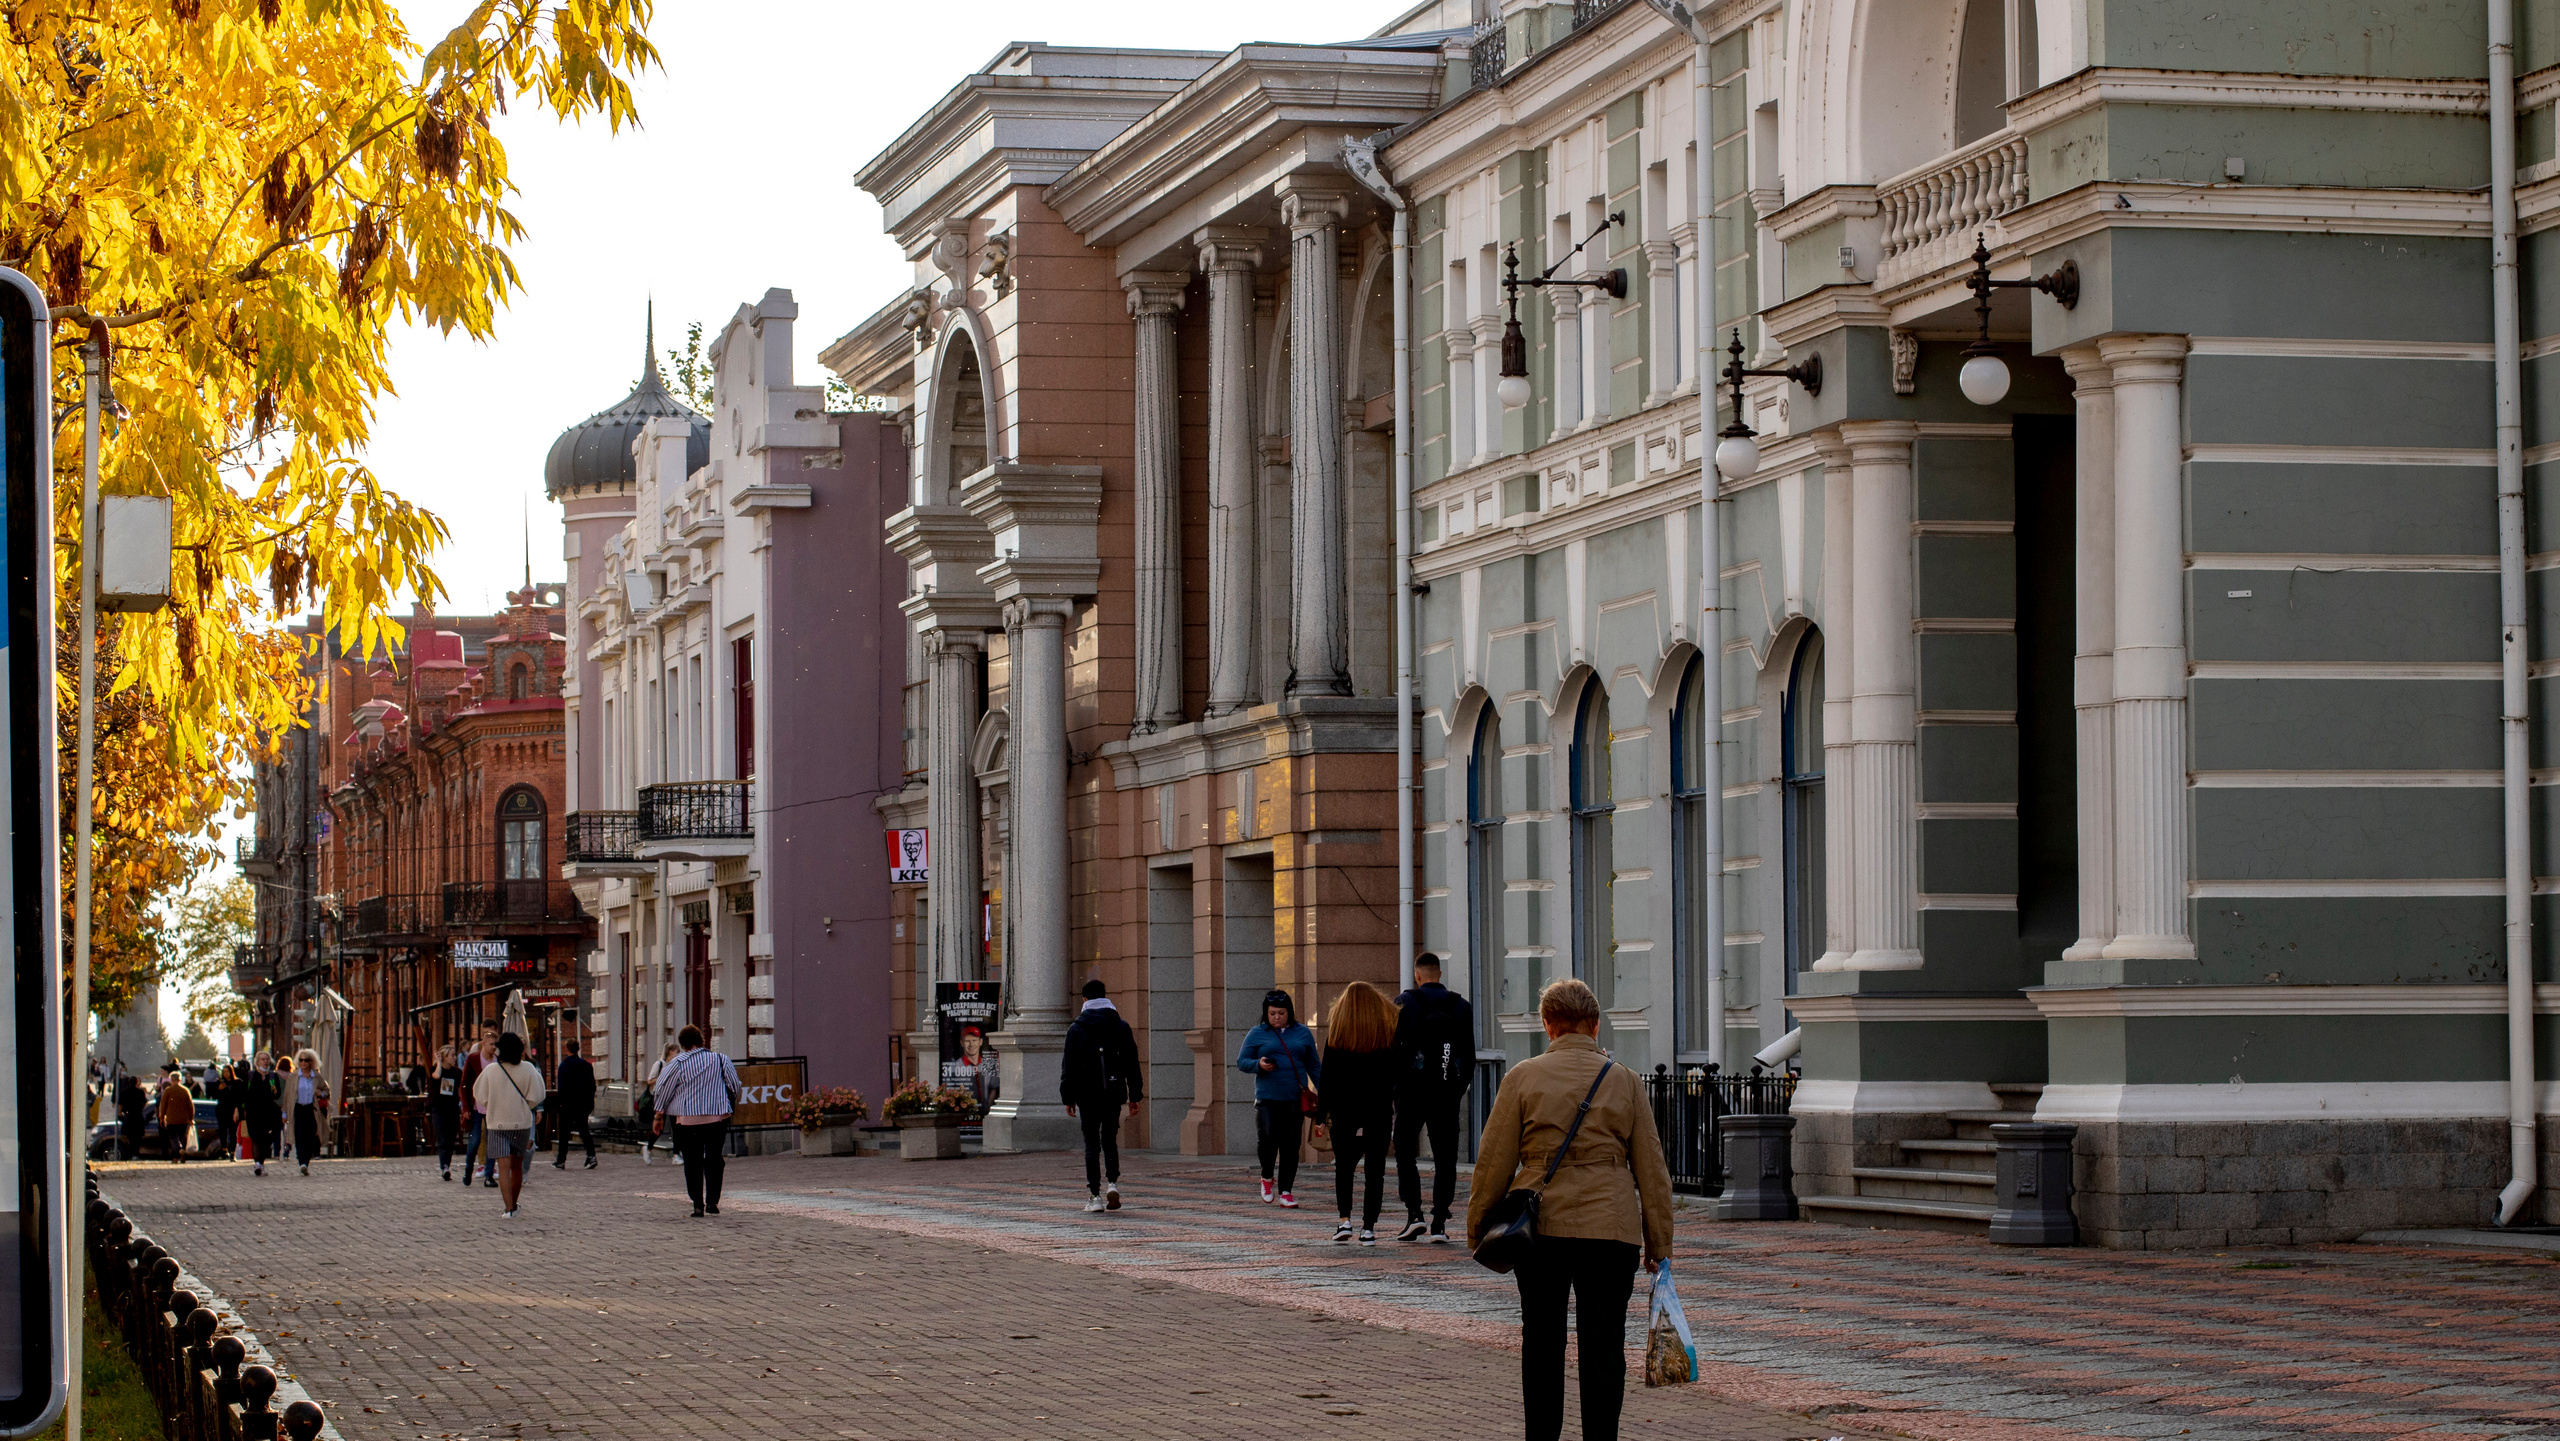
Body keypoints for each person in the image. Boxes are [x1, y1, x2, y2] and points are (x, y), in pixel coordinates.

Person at [1467, 978, 1674, 1441]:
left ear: (1548, 1025)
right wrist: (1659, 1242)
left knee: (1542, 1341)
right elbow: (1651, 1167)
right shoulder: (1625, 1080)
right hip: (1612, 1228)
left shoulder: (1523, 1077)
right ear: (1595, 1025)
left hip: (1541, 1228)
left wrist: (1478, 1227)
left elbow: (1494, 1161)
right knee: (1604, 1345)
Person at [1392, 952, 1479, 1242]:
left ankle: (1414, 1214)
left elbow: (1395, 1051)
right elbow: (1469, 1056)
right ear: (1439, 974)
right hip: (1446, 1092)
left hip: (1412, 1093)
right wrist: (1456, 1089)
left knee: (1404, 1150)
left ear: (1417, 975)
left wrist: (1398, 1089)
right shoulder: (1461, 1006)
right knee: (1446, 1158)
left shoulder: (1404, 1003)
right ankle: (1439, 1221)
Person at [1313, 981, 1400, 1245]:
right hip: (1378, 1110)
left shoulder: (1337, 1036)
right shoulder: (1386, 1035)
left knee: (1344, 1167)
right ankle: (1369, 1227)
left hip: (1344, 1110)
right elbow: (1394, 1075)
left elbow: (1326, 1077)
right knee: (1375, 1171)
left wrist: (1320, 1115)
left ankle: (1344, 1221)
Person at [1059, 979, 1143, 1213]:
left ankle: (1095, 1196)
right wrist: (1135, 1095)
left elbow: (1069, 1066)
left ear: (1085, 999)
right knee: (1109, 1139)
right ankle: (1112, 1184)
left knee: (1091, 1144)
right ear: (1105, 996)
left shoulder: (1076, 1029)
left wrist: (1068, 1097)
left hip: (1087, 1094)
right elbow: (1131, 1063)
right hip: (1113, 1092)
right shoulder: (1120, 1026)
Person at [1234, 989, 1321, 1208]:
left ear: (1289, 1012)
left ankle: (1286, 1191)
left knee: (1291, 1145)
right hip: (1267, 1097)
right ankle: (1266, 1176)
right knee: (1267, 1139)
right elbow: (1242, 1061)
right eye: (1272, 1013)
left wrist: (1325, 1093)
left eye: (1281, 1013)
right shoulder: (1257, 1033)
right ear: (1266, 1013)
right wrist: (1258, 1064)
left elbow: (1314, 1066)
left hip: (1294, 1097)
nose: (1276, 1017)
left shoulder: (1302, 1033)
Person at [651, 1025, 741, 1217]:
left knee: (692, 1161)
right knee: (714, 1158)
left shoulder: (676, 1063)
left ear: (682, 1044)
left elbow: (662, 1090)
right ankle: (712, 1202)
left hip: (687, 1120)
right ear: (701, 1040)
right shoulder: (720, 1059)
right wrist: (728, 1103)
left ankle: (697, 1204)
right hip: (717, 1118)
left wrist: (659, 1115)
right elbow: (735, 1085)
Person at [470, 1031, 547, 1220]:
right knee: (517, 1166)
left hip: (497, 1122)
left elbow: (479, 1094)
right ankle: (514, 1202)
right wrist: (526, 1106)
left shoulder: (491, 1070)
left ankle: (508, 1207)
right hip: (521, 1123)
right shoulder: (528, 1068)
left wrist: (492, 1104)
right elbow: (538, 1094)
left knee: (503, 1167)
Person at [461, 1023, 499, 1188]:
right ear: (484, 1044)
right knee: (475, 1140)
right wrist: (465, 1107)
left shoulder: (497, 1061)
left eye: (495, 1045)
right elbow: (464, 1084)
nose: (494, 1047)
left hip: (493, 1107)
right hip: (476, 1106)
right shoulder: (473, 1059)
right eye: (491, 1044)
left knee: (492, 1141)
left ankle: (489, 1175)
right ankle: (469, 1168)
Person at [550, 1039, 597, 1169]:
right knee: (584, 1130)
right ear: (578, 1049)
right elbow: (592, 1086)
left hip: (568, 1104)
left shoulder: (564, 1066)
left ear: (567, 1049)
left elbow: (562, 1088)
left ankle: (561, 1160)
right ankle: (591, 1155)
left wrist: (561, 1103)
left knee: (564, 1133)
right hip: (583, 1104)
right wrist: (589, 1101)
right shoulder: (586, 1065)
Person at [636, 1042, 679, 1165]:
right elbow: (649, 1080)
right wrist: (662, 1078)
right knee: (660, 1125)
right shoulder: (659, 1064)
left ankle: (676, 1154)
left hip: (673, 1097)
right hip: (660, 1097)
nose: (678, 1054)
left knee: (676, 1126)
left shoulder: (676, 1065)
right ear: (670, 1052)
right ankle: (648, 1148)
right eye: (677, 1052)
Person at [429, 1044, 466, 1181]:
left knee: (450, 1139)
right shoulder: (436, 1069)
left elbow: (459, 1089)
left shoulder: (457, 1072)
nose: (455, 1058)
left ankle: (447, 1165)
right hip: (439, 1109)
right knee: (442, 1139)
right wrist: (438, 1063)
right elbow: (436, 1076)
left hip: (452, 1108)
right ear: (444, 1058)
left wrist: (463, 1105)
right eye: (452, 1055)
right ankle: (444, 1166)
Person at [290, 1048, 330, 1175]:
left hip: (311, 1109)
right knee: (299, 1136)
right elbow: (288, 1095)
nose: (303, 1063)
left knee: (310, 1136)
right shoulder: (294, 1076)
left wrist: (320, 1093)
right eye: (301, 1060)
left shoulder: (316, 1076)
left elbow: (326, 1091)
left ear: (311, 1062)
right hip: (298, 1108)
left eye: (306, 1060)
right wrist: (285, 1113)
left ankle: (306, 1161)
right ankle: (302, 1162)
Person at [244, 1052, 283, 1176]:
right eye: (263, 1059)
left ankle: (261, 1162)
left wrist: (275, 1092)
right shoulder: (251, 1076)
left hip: (269, 1113)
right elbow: (244, 1094)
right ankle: (258, 1164)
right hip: (253, 1113)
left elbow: (278, 1095)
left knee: (267, 1140)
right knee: (256, 1138)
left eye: (267, 1059)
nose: (265, 1061)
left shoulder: (273, 1076)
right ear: (257, 1061)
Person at [155, 1063, 195, 1163]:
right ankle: (178, 1157)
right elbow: (190, 1106)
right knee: (182, 1138)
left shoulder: (168, 1091)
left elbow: (163, 1105)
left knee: (174, 1139)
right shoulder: (185, 1090)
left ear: (171, 1080)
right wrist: (191, 1118)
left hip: (171, 1119)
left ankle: (178, 1153)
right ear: (180, 1080)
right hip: (183, 1119)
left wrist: (162, 1117)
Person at [115, 1073, 150, 1161]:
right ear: (136, 1082)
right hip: (138, 1116)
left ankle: (132, 1153)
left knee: (130, 1136)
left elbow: (120, 1105)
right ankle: (136, 1153)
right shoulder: (140, 1092)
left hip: (129, 1116)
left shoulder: (124, 1093)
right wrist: (141, 1108)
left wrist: (120, 1113)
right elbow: (144, 1103)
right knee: (138, 1136)